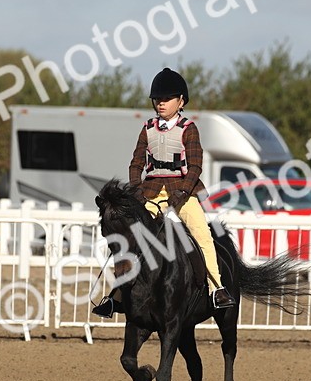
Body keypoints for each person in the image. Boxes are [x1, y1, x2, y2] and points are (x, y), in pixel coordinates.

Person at [93, 67, 235, 318]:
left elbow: (195, 167)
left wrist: (181, 194)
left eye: (166, 99)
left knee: (203, 236)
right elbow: (136, 164)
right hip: (150, 192)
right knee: (130, 234)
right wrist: (136, 190)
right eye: (157, 99)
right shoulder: (147, 128)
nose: (160, 103)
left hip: (184, 192)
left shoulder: (189, 129)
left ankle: (217, 288)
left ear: (181, 101)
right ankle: (116, 297)